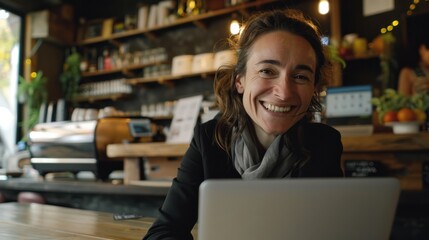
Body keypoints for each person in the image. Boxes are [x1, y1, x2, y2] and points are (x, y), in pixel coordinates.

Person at [143, 9, 344, 240]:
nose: (284, 92)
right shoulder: (208, 139)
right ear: (240, 81)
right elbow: (163, 232)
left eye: (300, 76)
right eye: (267, 71)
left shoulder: (324, 144)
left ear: (314, 89)